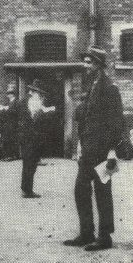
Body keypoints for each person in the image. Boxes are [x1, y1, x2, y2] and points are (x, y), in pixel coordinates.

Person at [63, 46, 124, 251]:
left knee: (103, 192)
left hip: (105, 151)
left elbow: (117, 122)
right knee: (81, 189)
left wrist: (113, 151)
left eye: (89, 62)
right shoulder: (92, 86)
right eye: (86, 61)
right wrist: (80, 143)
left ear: (98, 65)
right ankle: (86, 232)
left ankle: (104, 237)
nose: (85, 65)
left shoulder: (110, 88)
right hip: (89, 150)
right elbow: (86, 118)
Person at [18, 79, 55, 198]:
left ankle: (27, 188)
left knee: (31, 164)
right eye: (39, 93)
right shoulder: (27, 102)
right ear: (33, 92)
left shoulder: (34, 102)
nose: (41, 96)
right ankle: (27, 190)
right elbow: (30, 119)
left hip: (33, 138)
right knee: (29, 164)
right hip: (28, 138)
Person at [0, 84, 19, 160]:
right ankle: (9, 155)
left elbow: (15, 112)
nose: (8, 95)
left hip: (13, 123)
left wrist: (7, 109)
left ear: (12, 94)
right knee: (7, 139)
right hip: (7, 123)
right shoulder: (8, 102)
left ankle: (12, 155)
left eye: (9, 93)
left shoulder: (16, 102)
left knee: (12, 139)